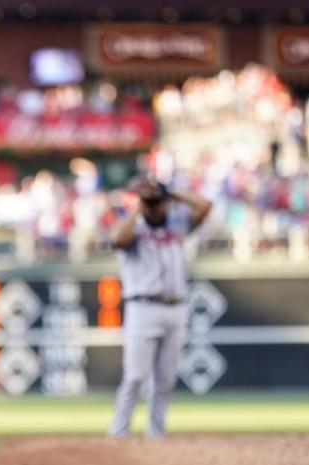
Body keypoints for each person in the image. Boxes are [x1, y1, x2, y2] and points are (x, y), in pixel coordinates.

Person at [106, 176, 211, 438]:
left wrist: (172, 192)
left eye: (159, 203)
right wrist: (139, 208)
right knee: (135, 377)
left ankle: (156, 434)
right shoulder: (135, 229)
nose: (156, 208)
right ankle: (118, 434)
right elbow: (118, 239)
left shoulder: (176, 225)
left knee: (165, 380)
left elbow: (205, 206)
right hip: (143, 307)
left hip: (175, 307)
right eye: (151, 204)